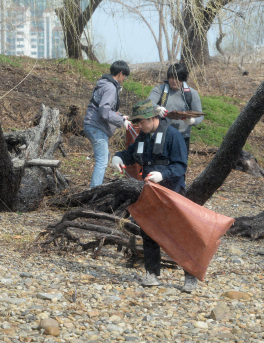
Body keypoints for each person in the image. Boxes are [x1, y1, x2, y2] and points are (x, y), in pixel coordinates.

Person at [111, 99, 198, 293]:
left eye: (141, 122)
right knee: (149, 231)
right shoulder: (142, 137)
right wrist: (117, 157)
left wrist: (163, 174)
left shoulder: (174, 136)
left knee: (179, 235)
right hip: (151, 192)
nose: (139, 126)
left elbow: (180, 166)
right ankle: (152, 273)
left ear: (152, 118)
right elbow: (130, 154)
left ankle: (190, 276)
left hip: (172, 192)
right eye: (137, 122)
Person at [83, 60, 131, 188]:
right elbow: (104, 111)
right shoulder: (110, 87)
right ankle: (94, 192)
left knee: (105, 157)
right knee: (102, 161)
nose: (124, 79)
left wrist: (121, 116)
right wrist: (121, 121)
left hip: (91, 125)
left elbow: (107, 109)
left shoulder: (104, 83)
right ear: (120, 73)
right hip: (96, 127)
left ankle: (96, 187)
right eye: (125, 76)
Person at [147, 63, 202, 155]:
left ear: (183, 79)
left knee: (179, 165)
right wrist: (157, 108)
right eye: (171, 78)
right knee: (159, 163)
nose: (174, 81)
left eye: (178, 78)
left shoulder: (191, 93)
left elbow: (200, 115)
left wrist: (192, 121)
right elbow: (148, 103)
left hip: (183, 136)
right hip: (161, 134)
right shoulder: (159, 90)